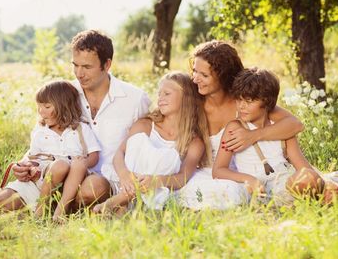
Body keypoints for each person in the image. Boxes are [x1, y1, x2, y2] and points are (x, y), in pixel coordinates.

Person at [11, 30, 151, 209]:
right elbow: (45, 131)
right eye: (75, 65)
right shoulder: (66, 94)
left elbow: (146, 146)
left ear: (107, 64)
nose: (79, 73)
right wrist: (25, 164)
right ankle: (51, 204)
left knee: (90, 189)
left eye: (86, 67)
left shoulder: (135, 99)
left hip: (108, 181)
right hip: (60, 175)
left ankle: (59, 208)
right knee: (2, 202)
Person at [176, 40, 305, 210]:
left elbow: (295, 125)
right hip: (212, 173)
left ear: (223, 76)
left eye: (204, 75)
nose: (195, 79)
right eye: (194, 71)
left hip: (248, 172)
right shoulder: (194, 105)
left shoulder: (244, 102)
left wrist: (253, 136)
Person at [212, 67, 336, 205]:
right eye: (239, 100)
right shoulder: (234, 128)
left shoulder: (282, 129)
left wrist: (318, 181)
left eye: (249, 101)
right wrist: (248, 179)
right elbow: (218, 170)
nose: (241, 106)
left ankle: (325, 195)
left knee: (308, 176)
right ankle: (324, 199)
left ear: (267, 102)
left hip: (290, 182)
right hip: (261, 187)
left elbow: (302, 166)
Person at [93, 72, 210, 215]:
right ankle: (125, 200)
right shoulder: (146, 125)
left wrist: (157, 181)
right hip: (127, 182)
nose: (160, 98)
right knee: (139, 141)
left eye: (167, 93)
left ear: (186, 98)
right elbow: (120, 154)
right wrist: (124, 175)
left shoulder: (194, 141)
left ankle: (123, 203)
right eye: (159, 94)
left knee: (168, 157)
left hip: (157, 190)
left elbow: (182, 177)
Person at [0, 81, 101, 221]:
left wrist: (82, 162)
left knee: (70, 165)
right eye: (39, 106)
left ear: (64, 107)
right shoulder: (40, 131)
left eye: (47, 106)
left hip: (72, 183)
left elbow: (94, 155)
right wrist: (29, 167)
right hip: (40, 183)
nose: (41, 111)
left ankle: (52, 211)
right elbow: (33, 158)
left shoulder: (80, 129)